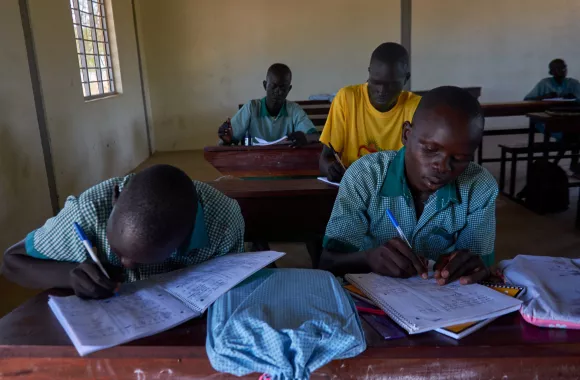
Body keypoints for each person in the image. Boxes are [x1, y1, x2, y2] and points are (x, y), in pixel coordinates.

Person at [319, 86, 498, 286]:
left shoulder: (479, 187)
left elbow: (479, 266)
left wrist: (471, 266)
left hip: (441, 305)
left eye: (460, 158)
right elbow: (328, 261)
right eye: (430, 149)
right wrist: (367, 259)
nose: (443, 166)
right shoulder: (366, 176)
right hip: (371, 298)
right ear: (406, 135)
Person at [1, 165, 245, 299]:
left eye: (143, 259)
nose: (126, 266)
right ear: (115, 199)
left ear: (187, 235)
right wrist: (68, 276)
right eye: (116, 249)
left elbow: (234, 290)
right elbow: (11, 262)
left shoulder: (224, 225)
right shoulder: (90, 212)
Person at [319, 42, 421, 182]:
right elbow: (325, 159)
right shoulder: (347, 99)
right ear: (369, 73)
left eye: (391, 84)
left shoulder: (417, 107)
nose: (382, 91)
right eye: (376, 82)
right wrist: (332, 170)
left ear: (406, 79)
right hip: (354, 189)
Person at [218, 63, 318, 147]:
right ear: (265, 85)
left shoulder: (294, 110)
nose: (278, 92)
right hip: (253, 163)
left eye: (283, 88)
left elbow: (315, 136)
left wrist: (306, 137)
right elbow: (229, 140)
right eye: (273, 86)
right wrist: (227, 139)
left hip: (285, 164)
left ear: (289, 89)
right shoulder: (251, 108)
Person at [524, 59, 580, 176]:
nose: (562, 71)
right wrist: (543, 96)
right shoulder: (544, 84)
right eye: (558, 68)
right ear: (551, 71)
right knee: (571, 135)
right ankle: (558, 165)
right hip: (547, 119)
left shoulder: (573, 83)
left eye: (564, 68)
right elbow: (527, 100)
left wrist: (574, 97)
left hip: (568, 118)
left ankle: (572, 164)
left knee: (575, 132)